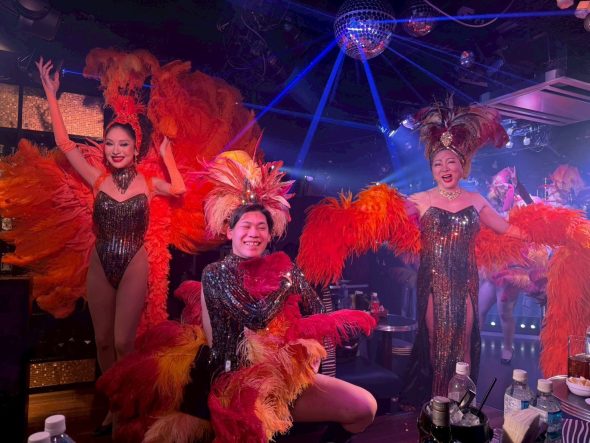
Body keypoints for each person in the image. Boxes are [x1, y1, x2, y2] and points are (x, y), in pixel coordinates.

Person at [98, 151, 377, 443]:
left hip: (282, 376)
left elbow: (317, 311)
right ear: (230, 231)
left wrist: (308, 349)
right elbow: (254, 317)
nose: (253, 233)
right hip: (230, 382)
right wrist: (286, 286)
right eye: (245, 226)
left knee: (364, 408)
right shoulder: (215, 273)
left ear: (269, 234)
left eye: (261, 227)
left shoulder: (284, 268)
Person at [35, 56, 186, 432]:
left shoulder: (149, 184)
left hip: (135, 262)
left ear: (135, 150)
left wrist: (166, 155)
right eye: (110, 144)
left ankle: (125, 406)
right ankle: (114, 404)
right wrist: (51, 93)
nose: (116, 149)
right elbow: (64, 143)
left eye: (124, 144)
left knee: (122, 341)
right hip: (101, 262)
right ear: (104, 148)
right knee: (102, 341)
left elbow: (179, 189)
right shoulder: (96, 179)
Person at [478, 167, 547, 364]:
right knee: (480, 310)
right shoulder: (491, 206)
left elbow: (534, 208)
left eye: (504, 185)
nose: (500, 189)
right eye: (497, 185)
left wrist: (519, 187)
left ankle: (508, 348)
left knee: (504, 312)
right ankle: (473, 345)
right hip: (492, 267)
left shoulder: (523, 204)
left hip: (511, 268)